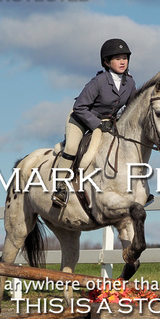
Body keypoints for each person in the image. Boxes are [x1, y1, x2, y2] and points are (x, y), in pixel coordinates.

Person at [52, 38, 136, 208]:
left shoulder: (130, 83)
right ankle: (60, 188)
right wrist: (97, 124)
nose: (122, 62)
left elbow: (131, 109)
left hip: (107, 123)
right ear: (106, 62)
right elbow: (79, 107)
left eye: (124, 58)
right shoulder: (98, 82)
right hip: (81, 118)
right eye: (117, 58)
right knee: (72, 148)